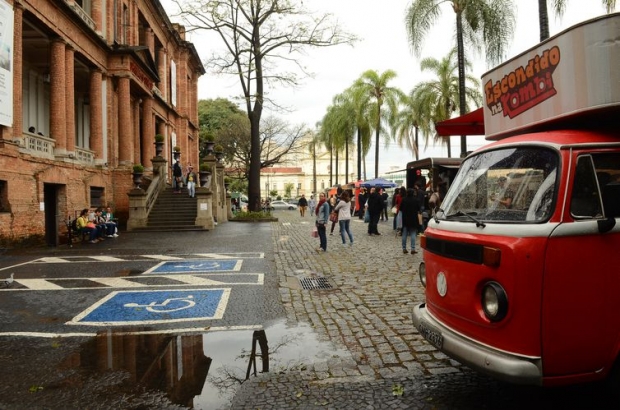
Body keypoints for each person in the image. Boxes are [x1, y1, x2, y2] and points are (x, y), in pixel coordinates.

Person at [400, 187, 422, 254]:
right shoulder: (416, 200)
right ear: (413, 193)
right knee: (413, 234)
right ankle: (413, 249)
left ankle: (404, 248)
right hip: (413, 219)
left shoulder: (404, 199)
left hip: (405, 219)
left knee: (404, 234)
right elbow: (419, 209)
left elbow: (400, 209)